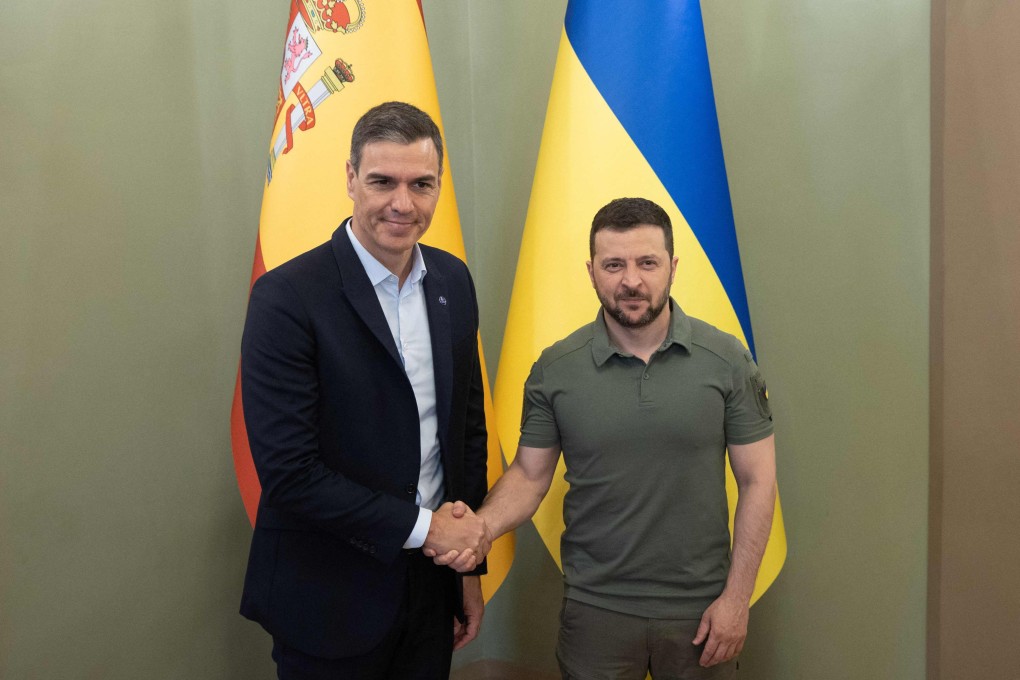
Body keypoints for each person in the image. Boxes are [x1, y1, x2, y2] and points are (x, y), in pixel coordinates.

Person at [433, 197, 776, 679]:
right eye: (614, 265)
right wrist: (482, 528)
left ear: (673, 267)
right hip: (595, 610)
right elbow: (529, 477)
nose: (631, 281)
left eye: (647, 263)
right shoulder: (555, 369)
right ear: (591, 272)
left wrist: (737, 599)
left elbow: (758, 480)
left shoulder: (727, 360)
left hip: (701, 608)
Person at [239, 101, 492, 679]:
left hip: (431, 591)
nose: (403, 203)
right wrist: (429, 529)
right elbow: (289, 473)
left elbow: (465, 433)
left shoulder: (453, 280)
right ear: (351, 178)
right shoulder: (287, 298)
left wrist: (466, 570)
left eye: (421, 184)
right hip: (328, 597)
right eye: (383, 181)